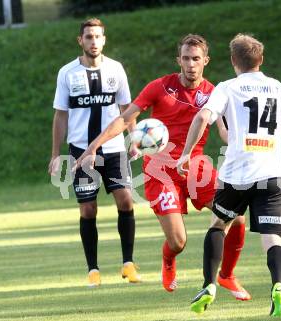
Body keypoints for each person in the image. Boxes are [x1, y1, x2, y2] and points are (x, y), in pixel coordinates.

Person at [75, 34, 251, 300]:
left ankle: (226, 275)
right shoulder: (160, 87)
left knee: (237, 218)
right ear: (178, 60)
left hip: (196, 167)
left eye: (196, 59)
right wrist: (92, 149)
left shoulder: (215, 93)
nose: (190, 64)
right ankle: (168, 260)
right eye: (185, 58)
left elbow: (225, 132)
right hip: (160, 170)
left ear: (206, 61)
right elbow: (125, 119)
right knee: (178, 242)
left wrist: (249, 143)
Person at [177, 33, 281, 316]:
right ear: (261, 60)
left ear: (234, 60)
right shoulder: (276, 87)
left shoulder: (228, 88)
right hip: (272, 175)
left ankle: (209, 284)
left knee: (219, 225)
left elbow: (202, 117)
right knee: (272, 237)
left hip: (237, 174)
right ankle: (278, 286)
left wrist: (186, 152)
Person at [48, 18, 142, 287]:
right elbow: (60, 115)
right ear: (81, 41)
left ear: (104, 40)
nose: (93, 41)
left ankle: (128, 264)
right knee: (88, 209)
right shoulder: (67, 73)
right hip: (80, 151)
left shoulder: (116, 69)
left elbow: (128, 108)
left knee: (126, 200)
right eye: (88, 37)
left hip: (113, 150)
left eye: (97, 37)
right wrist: (55, 154)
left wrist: (133, 140)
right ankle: (93, 270)